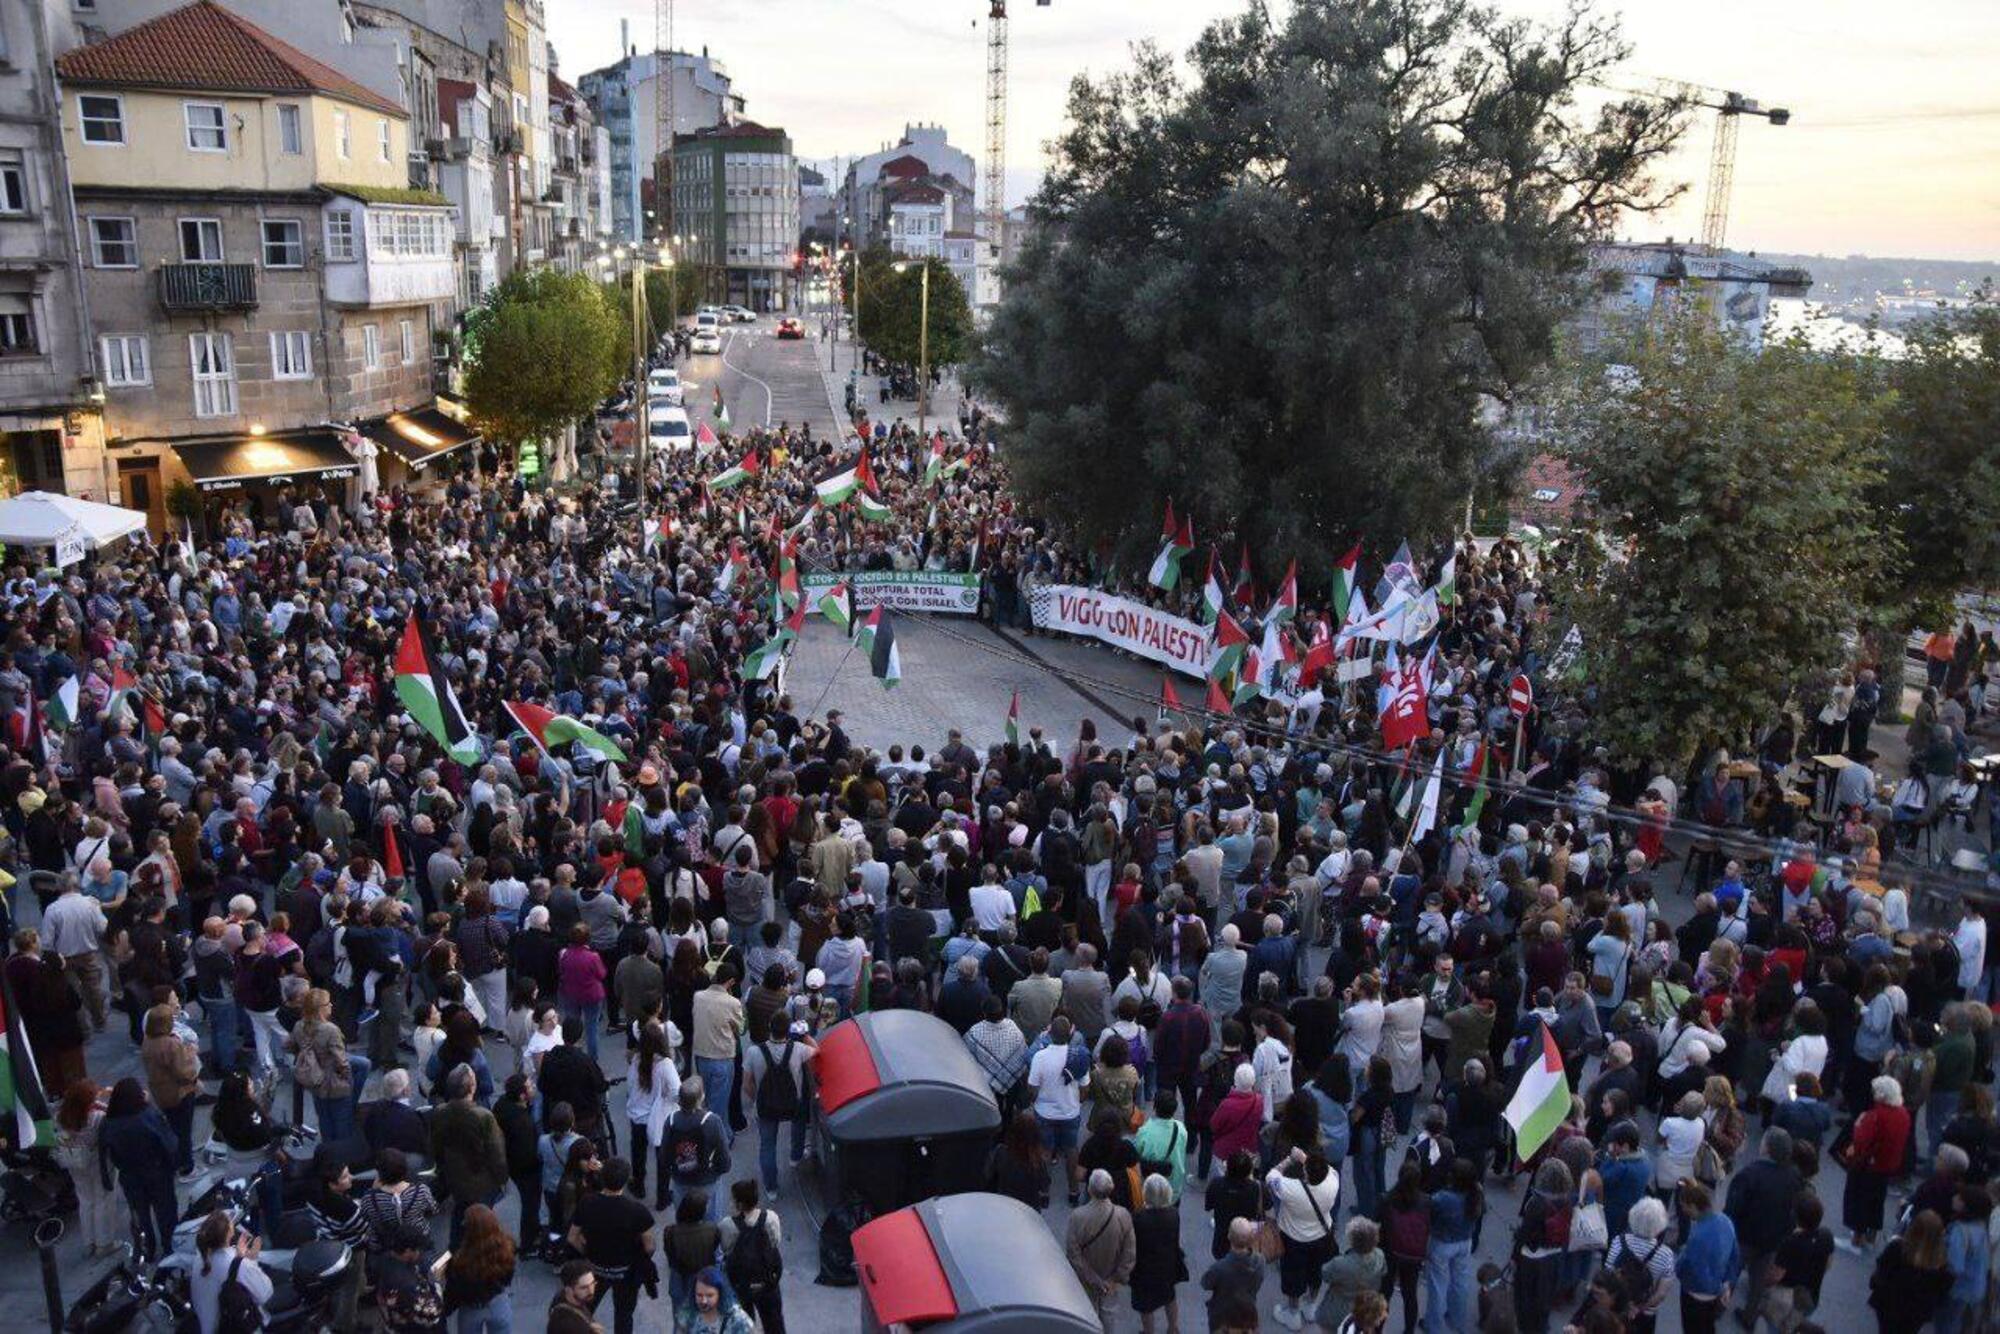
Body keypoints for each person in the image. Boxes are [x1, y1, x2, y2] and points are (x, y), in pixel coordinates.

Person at [566, 1156, 656, 1334]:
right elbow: (649, 1246)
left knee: (584, 1310)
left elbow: (572, 1237)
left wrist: (587, 1253)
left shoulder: (587, 1203)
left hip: (594, 1269)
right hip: (625, 1272)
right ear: (625, 1181)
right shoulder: (637, 1211)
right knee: (624, 1315)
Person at [96, 1076, 178, 1258]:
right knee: (166, 1213)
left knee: (140, 1215)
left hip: (130, 1176)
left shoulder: (108, 1123)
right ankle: (169, 1248)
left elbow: (104, 1154)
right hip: (157, 1173)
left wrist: (107, 1179)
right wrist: (173, 1165)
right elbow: (169, 1144)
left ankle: (147, 1249)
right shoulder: (148, 1116)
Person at [432, 1063, 510, 1246]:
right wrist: (502, 1179)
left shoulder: (440, 1112)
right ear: (472, 1087)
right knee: (481, 1224)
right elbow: (496, 1153)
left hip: (455, 1178)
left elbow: (436, 1146)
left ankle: (456, 1251)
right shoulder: (483, 1116)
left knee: (460, 1215)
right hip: (482, 1182)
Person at [1266, 1145, 1341, 1330]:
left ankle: (1292, 1313)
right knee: (1316, 1273)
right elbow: (1326, 1169)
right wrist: (1307, 1159)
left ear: (1306, 1173)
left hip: (1294, 1239)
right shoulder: (1333, 1180)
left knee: (1293, 1276)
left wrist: (1290, 1159)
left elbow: (1270, 1177)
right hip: (1322, 1236)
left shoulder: (1291, 1188)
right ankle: (1311, 1305)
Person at [1843, 1074, 1913, 1250]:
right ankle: (1871, 1238)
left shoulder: (1875, 1115)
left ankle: (1856, 1239)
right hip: (1887, 1165)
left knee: (1859, 1199)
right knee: (1877, 1201)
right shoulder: (1903, 1114)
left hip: (1868, 1165)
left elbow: (1861, 1140)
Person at [1066, 1168, 1138, 1331]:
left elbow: (1073, 1253)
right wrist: (1116, 1278)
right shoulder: (1123, 1215)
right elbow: (1129, 1253)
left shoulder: (1078, 1216)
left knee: (1087, 1317)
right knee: (1108, 1316)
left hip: (1086, 1280)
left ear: (1090, 1189)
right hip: (1110, 1279)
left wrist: (1092, 1278)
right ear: (1111, 1189)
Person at [1869, 1207, 1954, 1334]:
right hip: (1916, 1312)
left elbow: (1882, 1269)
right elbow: (1942, 1290)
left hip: (1888, 1303)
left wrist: (1875, 1284)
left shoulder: (1898, 1248)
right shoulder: (1940, 1262)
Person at [717, 1179, 786, 1334]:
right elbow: (776, 1241)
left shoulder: (727, 1225)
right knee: (774, 1323)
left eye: (732, 1199)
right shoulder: (770, 1218)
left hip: (741, 1284)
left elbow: (725, 1249)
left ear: (739, 1204)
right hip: (768, 1281)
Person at [190, 1209, 274, 1334]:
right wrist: (251, 1259)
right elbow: (266, 1293)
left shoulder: (200, 1257)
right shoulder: (237, 1263)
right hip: (230, 1327)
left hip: (203, 1325)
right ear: (229, 1233)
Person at [1675, 1180, 1741, 1334]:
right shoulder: (1726, 1222)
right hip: (1717, 1292)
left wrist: (1679, 1263)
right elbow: (1735, 1257)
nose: (1683, 1210)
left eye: (1684, 1206)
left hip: (1695, 1294)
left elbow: (1687, 1268)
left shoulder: (1697, 1236)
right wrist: (1726, 1284)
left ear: (1693, 1206)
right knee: (1708, 1327)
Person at [442, 1202, 517, 1333]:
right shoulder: (507, 1245)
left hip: (471, 1306)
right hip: (498, 1301)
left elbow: (453, 1286)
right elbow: (508, 1275)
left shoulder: (459, 1255)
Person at [1201, 1216, 1266, 1330]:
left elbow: (1205, 1284)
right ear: (1251, 1238)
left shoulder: (1219, 1267)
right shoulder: (1260, 1261)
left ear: (1229, 1236)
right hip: (1247, 1310)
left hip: (1223, 1314)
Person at [673, 1265, 756, 1334]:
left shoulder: (737, 1318)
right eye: (699, 1295)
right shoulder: (688, 1315)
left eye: (709, 1296)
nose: (704, 1301)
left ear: (720, 1294)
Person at [547, 1260, 601, 1334]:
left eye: (593, 1283)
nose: (591, 1291)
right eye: (584, 1287)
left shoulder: (564, 1298)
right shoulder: (571, 1325)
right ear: (568, 1289)